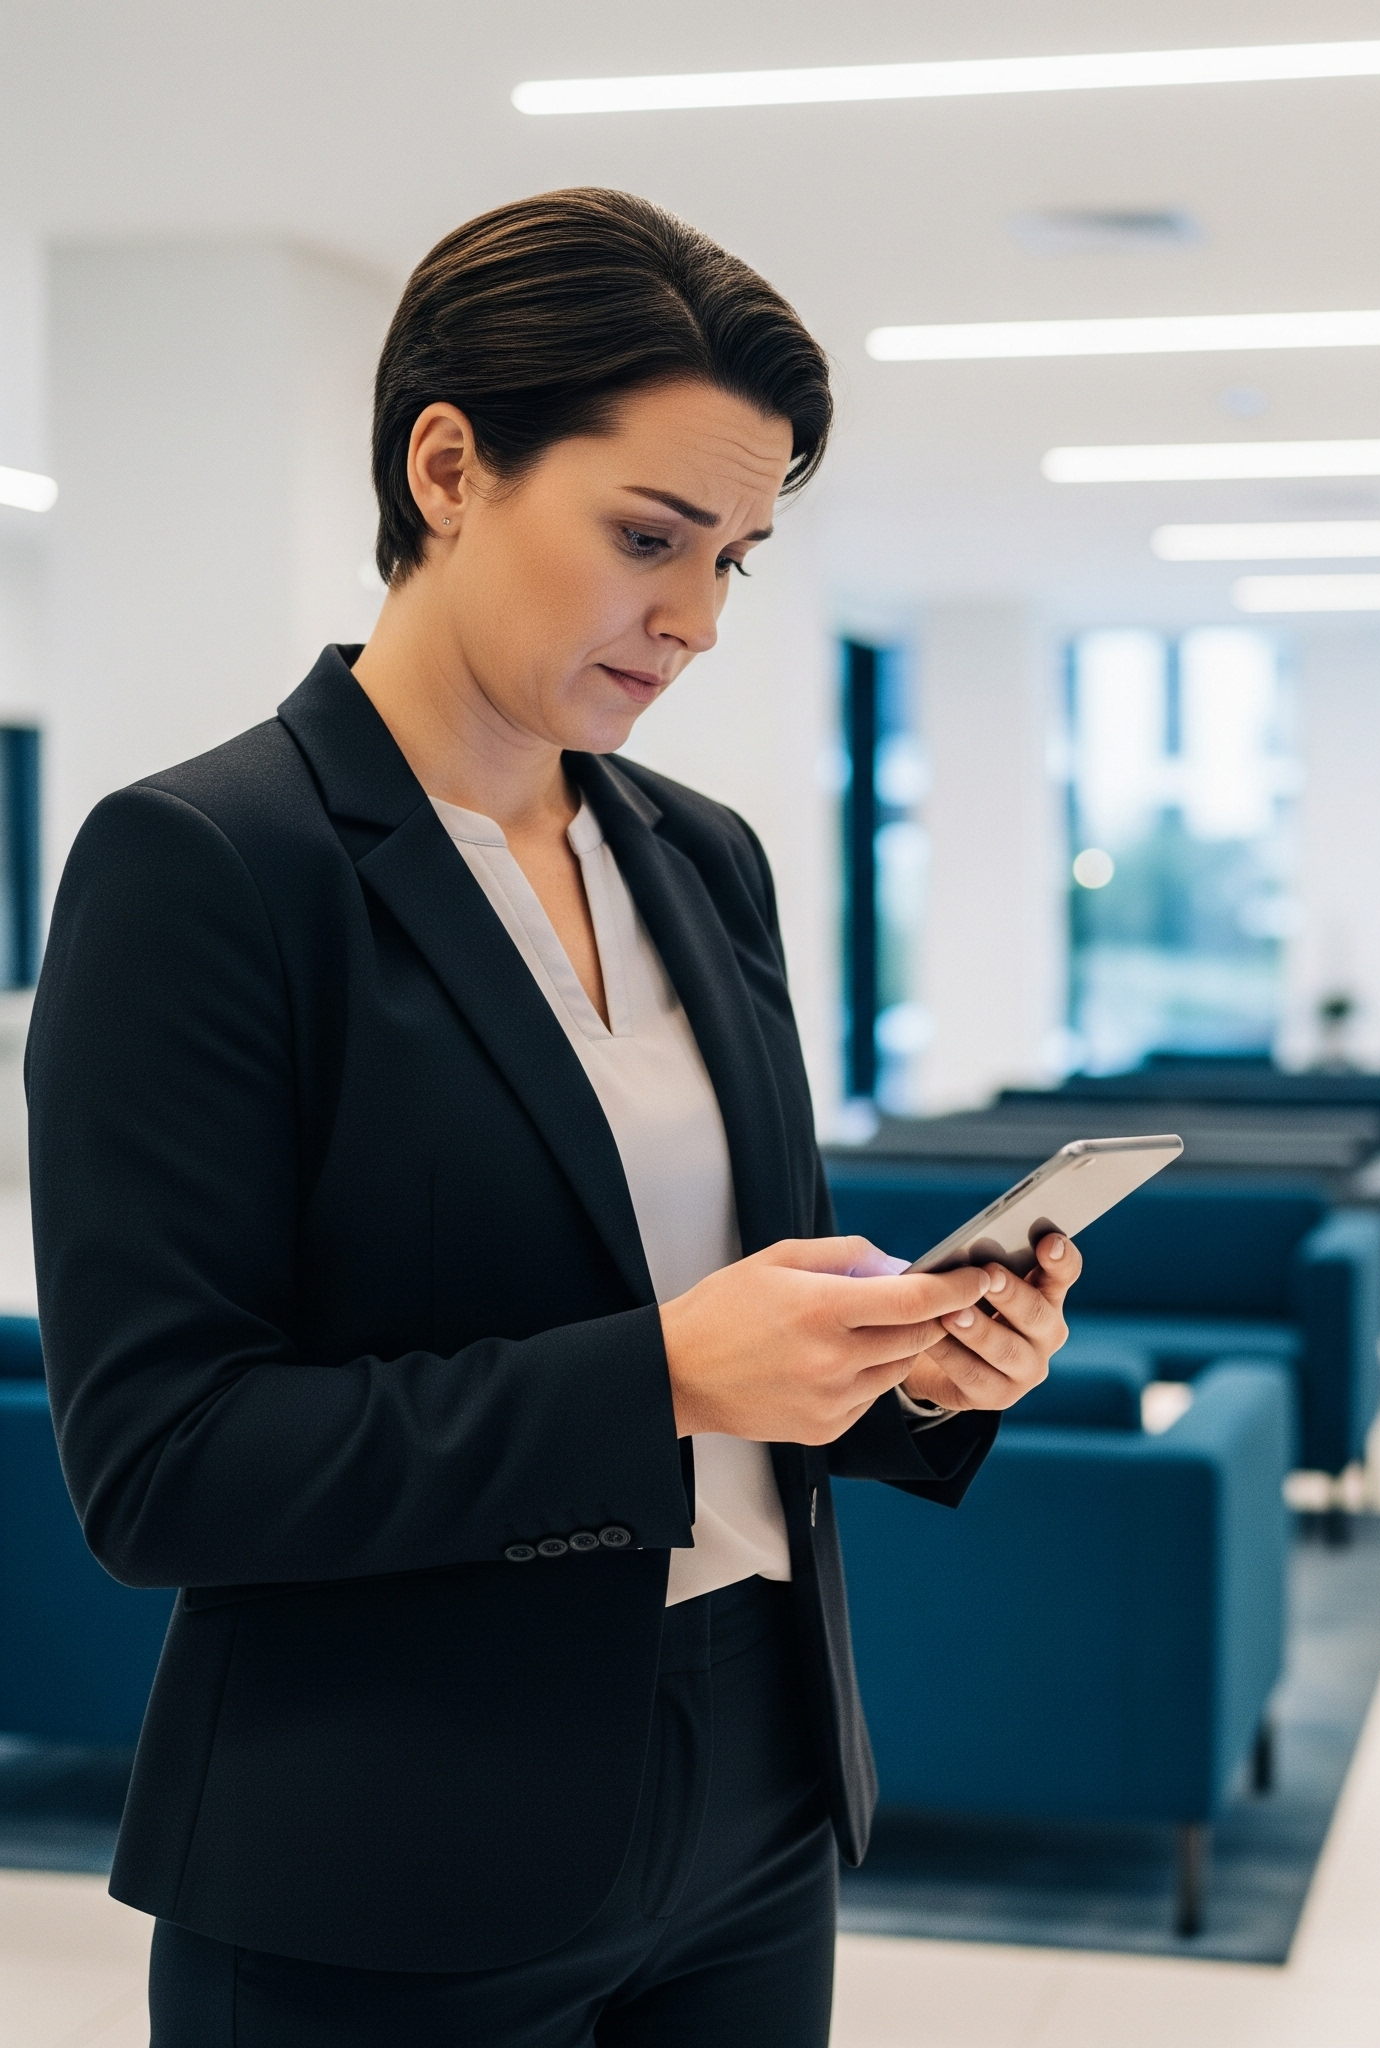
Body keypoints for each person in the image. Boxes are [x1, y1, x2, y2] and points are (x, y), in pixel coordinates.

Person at [26, 187, 1077, 2046]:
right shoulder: (207, 866)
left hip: (754, 1785)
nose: (696, 620)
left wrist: (920, 1366)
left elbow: (742, 1311)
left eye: (737, 558)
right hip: (388, 1846)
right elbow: (163, 1463)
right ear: (449, 466)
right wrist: (663, 1374)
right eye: (649, 536)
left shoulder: (702, 858)